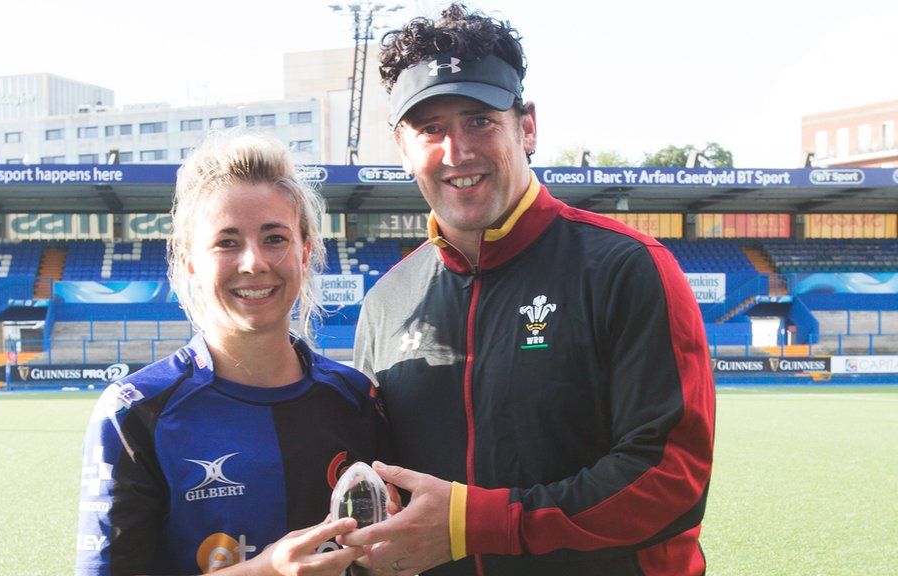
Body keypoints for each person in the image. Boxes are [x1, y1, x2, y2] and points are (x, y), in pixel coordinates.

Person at [342, 4, 715, 575]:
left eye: (479, 121)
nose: (456, 151)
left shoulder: (628, 266)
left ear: (528, 126)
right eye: (431, 129)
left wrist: (479, 523)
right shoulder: (387, 301)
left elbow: (670, 479)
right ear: (403, 147)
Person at [75, 133, 390, 576]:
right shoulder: (135, 412)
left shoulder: (357, 399)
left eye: (274, 238)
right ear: (189, 262)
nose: (253, 262)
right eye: (227, 242)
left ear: (305, 252)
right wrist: (265, 571)